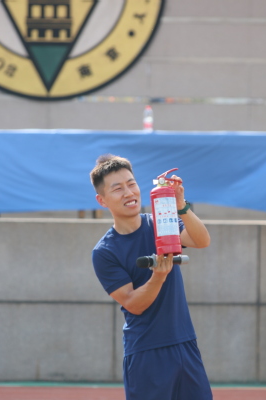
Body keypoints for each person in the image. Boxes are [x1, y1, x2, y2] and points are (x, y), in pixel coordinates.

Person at [90, 154, 213, 400]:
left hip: (185, 343)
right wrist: (158, 277)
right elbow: (133, 304)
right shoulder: (105, 252)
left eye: (131, 184)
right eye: (118, 188)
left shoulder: (161, 223)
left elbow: (201, 240)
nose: (128, 193)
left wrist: (181, 206)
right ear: (102, 200)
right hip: (146, 351)